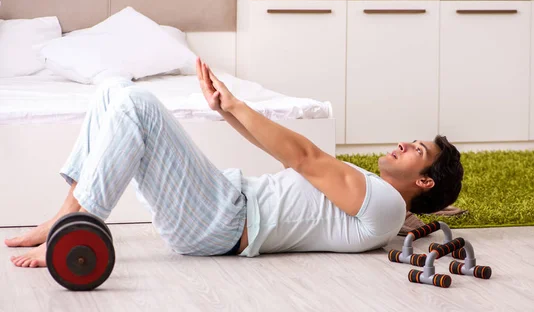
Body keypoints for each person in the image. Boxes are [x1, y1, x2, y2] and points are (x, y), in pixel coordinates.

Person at [6, 58, 463, 267]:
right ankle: (65, 217)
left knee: (137, 104)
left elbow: (304, 156)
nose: (404, 144)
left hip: (225, 220)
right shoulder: (378, 201)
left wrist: (239, 103)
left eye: (417, 150)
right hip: (220, 205)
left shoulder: (383, 204)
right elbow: (290, 157)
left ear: (423, 181)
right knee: (112, 91)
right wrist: (226, 109)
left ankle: (74, 230)